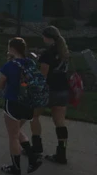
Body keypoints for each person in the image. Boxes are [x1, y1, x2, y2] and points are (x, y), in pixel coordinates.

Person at [0, 37, 39, 175]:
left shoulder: (9, 65)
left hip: (13, 103)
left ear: (12, 49)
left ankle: (16, 167)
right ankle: (32, 159)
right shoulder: (30, 63)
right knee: (17, 132)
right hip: (28, 103)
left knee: (13, 136)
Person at [29, 26, 70, 165]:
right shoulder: (64, 52)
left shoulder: (47, 54)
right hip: (63, 90)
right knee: (60, 122)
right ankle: (61, 152)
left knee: (34, 116)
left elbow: (43, 76)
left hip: (49, 90)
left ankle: (36, 146)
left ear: (47, 38)